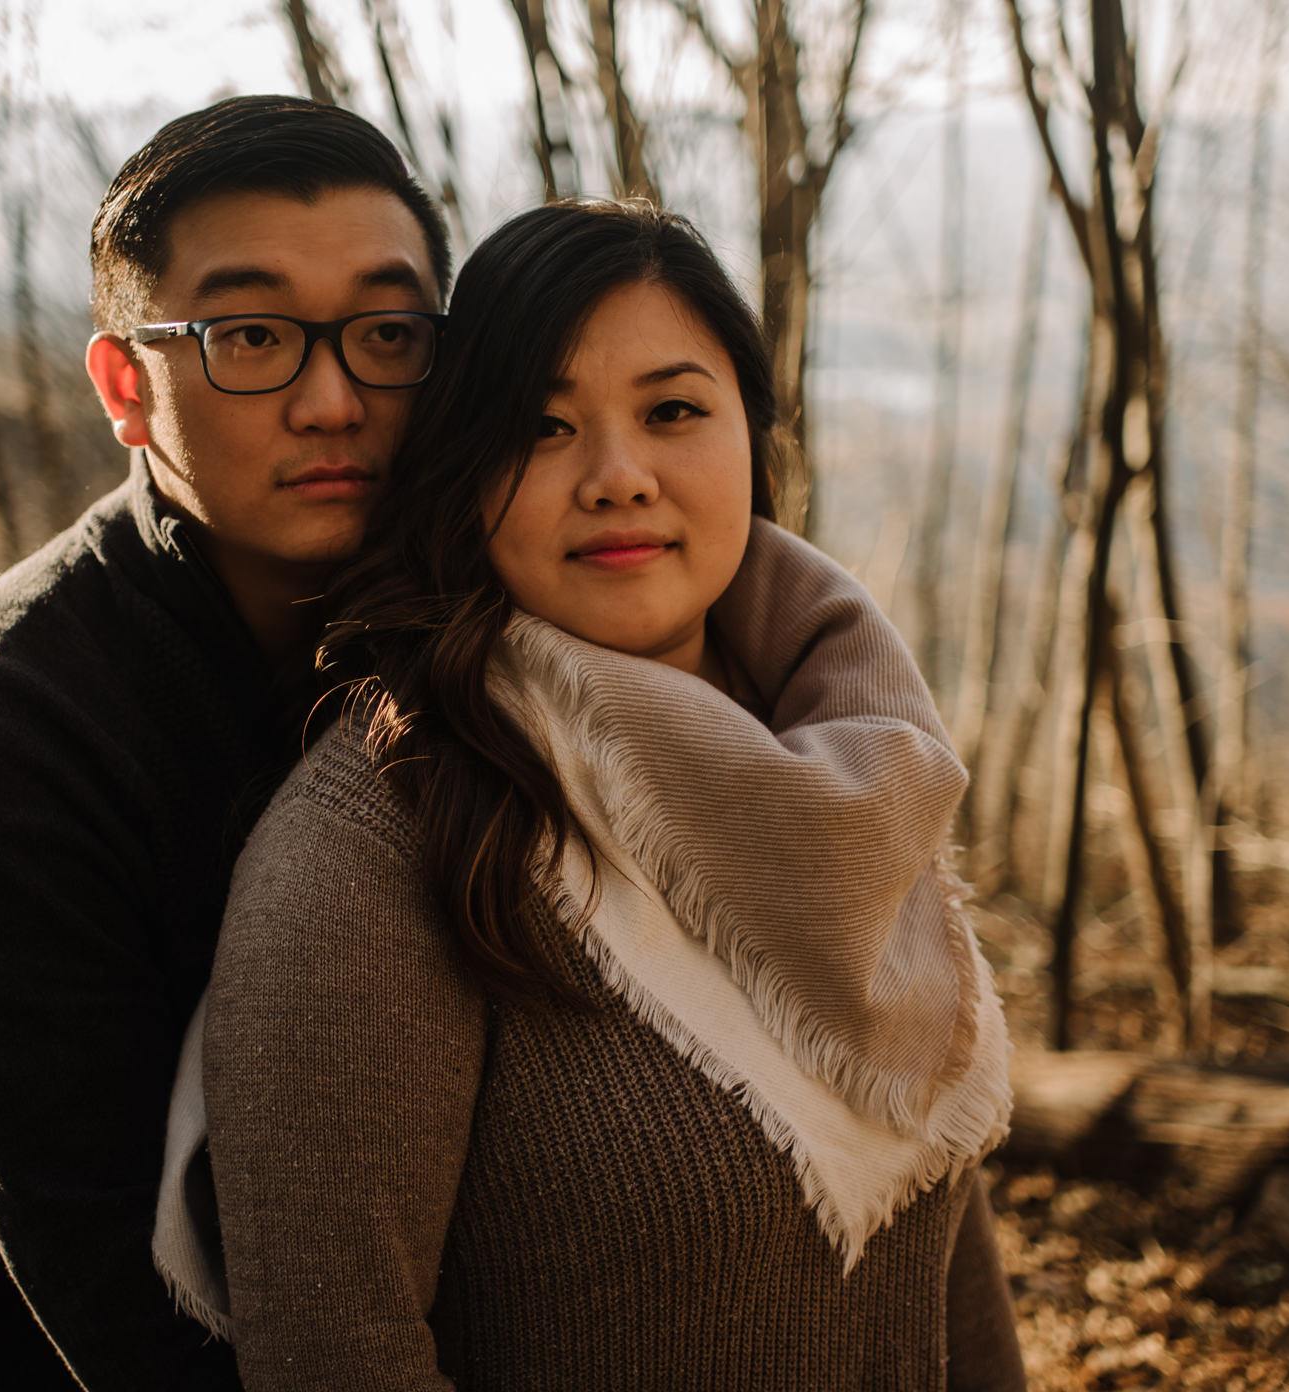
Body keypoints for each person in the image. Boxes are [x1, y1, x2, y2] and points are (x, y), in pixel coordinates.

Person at [167, 200, 1025, 1388]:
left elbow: (943, 1240)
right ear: (464, 481)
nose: (619, 478)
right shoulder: (373, 851)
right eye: (542, 428)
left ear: (754, 440)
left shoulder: (843, 764)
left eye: (673, 411)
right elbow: (336, 1354)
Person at [0, 95, 450, 1390]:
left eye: (386, 334)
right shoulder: (11, 721)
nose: (332, 398)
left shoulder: (475, 629)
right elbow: (112, 1292)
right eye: (251, 334)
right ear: (127, 386)